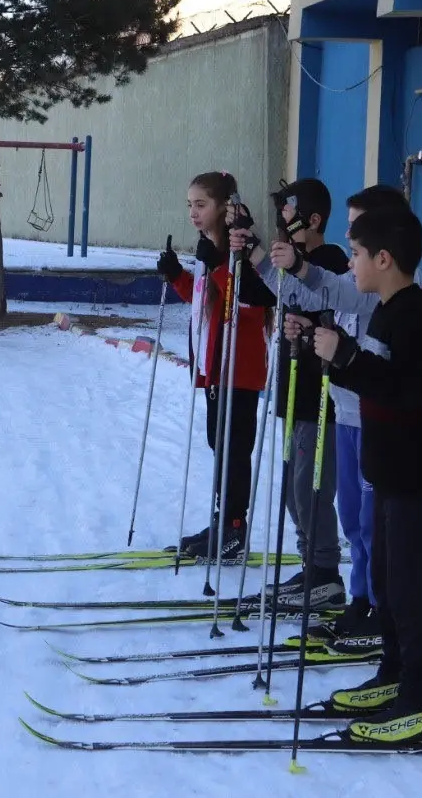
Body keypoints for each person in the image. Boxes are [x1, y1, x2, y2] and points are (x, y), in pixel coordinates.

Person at [309, 205, 422, 745]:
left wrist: (348, 358)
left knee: (414, 591)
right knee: (387, 583)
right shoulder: (385, 308)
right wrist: (330, 355)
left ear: (384, 258)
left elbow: (410, 393)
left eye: (355, 254)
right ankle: (395, 674)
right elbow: (374, 382)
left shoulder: (416, 317)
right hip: (391, 473)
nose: (350, 264)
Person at [253, 184, 412, 638]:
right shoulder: (357, 282)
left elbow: (334, 297)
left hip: (372, 421)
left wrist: (298, 267)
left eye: (357, 232)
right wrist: (268, 266)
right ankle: (362, 601)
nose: (348, 240)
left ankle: (380, 608)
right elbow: (308, 298)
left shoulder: (382, 296)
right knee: (352, 523)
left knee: (369, 524)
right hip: (346, 415)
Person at [232, 179, 350, 610]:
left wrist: (310, 318)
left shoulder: (329, 259)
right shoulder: (286, 260)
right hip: (291, 388)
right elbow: (254, 292)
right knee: (292, 493)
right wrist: (243, 250)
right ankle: (310, 568)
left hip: (320, 395)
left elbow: (322, 300)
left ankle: (326, 573)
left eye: (288, 209)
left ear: (312, 218)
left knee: (311, 489)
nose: (282, 216)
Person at [156, 171, 274, 561]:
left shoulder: (241, 248)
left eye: (201, 204)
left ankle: (235, 529)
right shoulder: (209, 247)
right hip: (214, 364)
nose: (193, 211)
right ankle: (223, 520)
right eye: (189, 204)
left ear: (224, 207)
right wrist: (177, 275)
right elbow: (205, 300)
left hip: (239, 365)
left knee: (235, 448)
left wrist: (221, 265)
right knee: (218, 444)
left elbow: (248, 305)